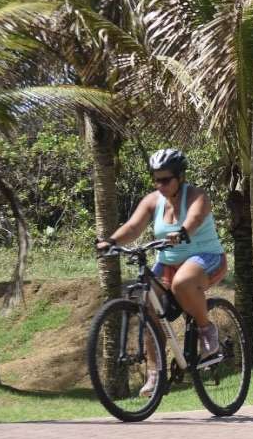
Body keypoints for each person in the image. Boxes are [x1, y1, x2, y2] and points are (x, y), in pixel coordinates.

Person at [97, 148, 226, 397]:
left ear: (180, 177)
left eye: (165, 180)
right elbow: (133, 227)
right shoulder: (153, 201)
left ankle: (206, 329)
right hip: (169, 263)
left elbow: (195, 218)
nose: (160, 185)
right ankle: (155, 374)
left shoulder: (197, 196)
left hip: (206, 258)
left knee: (182, 282)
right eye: (156, 179)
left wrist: (182, 232)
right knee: (147, 305)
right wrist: (110, 242)